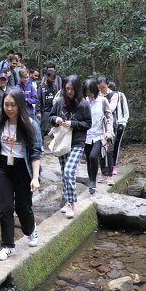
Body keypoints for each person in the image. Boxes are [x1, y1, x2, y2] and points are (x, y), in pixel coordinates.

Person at [0, 87, 42, 261]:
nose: (9, 109)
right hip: (4, 168)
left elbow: (36, 153)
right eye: (6, 105)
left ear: (20, 106)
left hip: (22, 169)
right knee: (5, 208)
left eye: (13, 105)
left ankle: (31, 230)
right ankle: (8, 246)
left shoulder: (30, 125)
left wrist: (34, 177)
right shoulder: (0, 124)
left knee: (23, 208)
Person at [49, 75, 92, 218]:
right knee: (64, 173)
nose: (69, 92)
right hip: (62, 142)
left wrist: (73, 124)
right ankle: (68, 201)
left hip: (77, 143)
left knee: (68, 171)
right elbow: (50, 117)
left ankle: (72, 203)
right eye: (67, 89)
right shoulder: (60, 102)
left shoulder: (84, 104)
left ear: (77, 89)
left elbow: (88, 124)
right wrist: (56, 119)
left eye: (72, 89)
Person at [83, 79, 113, 195]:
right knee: (88, 159)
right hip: (86, 135)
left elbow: (109, 117)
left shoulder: (102, 101)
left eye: (90, 91)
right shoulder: (83, 101)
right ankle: (91, 181)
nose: (88, 94)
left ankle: (92, 181)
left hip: (99, 135)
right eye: (86, 91)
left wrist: (109, 132)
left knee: (93, 157)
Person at [97, 76, 117, 185]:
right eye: (99, 88)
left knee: (109, 150)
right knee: (100, 151)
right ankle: (103, 174)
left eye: (103, 87)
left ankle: (109, 175)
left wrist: (103, 100)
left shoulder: (114, 95)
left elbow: (112, 109)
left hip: (109, 126)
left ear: (107, 85)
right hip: (98, 127)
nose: (101, 90)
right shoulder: (96, 96)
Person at [108, 81, 129, 175]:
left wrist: (123, 122)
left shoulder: (120, 96)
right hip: (109, 124)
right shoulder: (106, 96)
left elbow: (125, 110)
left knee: (117, 144)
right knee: (107, 145)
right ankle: (107, 166)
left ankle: (114, 165)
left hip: (120, 123)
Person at [37, 69, 58, 139]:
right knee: (43, 129)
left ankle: (55, 145)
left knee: (53, 129)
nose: (53, 80)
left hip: (53, 110)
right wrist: (38, 112)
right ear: (47, 77)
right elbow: (38, 100)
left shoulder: (54, 86)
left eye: (54, 79)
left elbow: (56, 98)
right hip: (45, 111)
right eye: (52, 78)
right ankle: (40, 145)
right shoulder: (41, 87)